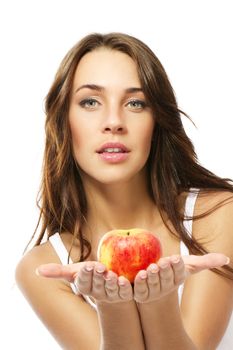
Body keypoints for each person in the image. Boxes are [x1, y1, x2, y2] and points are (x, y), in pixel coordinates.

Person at [15, 32, 233, 350]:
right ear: (63, 120)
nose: (114, 122)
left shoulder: (217, 215)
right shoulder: (44, 269)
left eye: (135, 103)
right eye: (90, 102)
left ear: (156, 121)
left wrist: (159, 301)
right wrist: (113, 306)